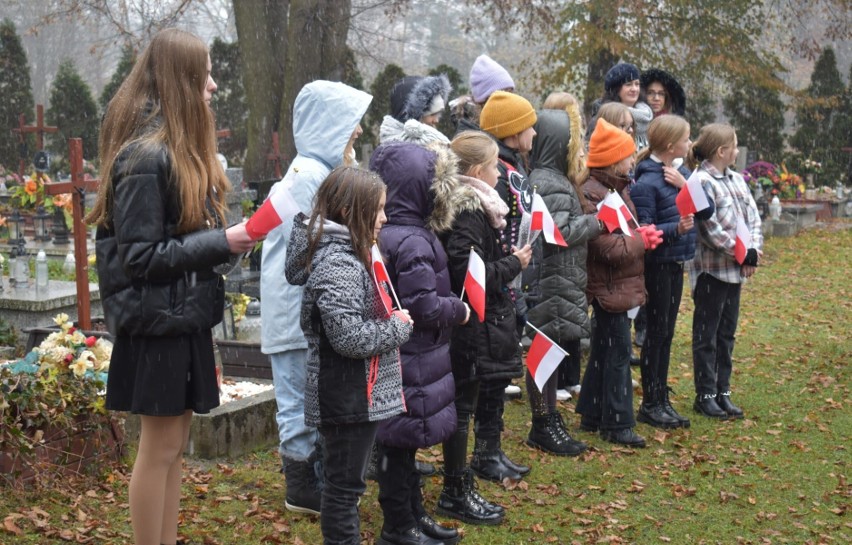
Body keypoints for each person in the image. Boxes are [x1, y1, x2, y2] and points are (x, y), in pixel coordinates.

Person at [88, 28, 257, 545]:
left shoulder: (176, 150)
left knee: (174, 445)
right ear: (181, 80)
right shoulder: (144, 158)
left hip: (179, 319)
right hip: (155, 324)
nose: (212, 85)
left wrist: (228, 242)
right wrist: (221, 242)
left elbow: (181, 241)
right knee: (158, 449)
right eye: (203, 74)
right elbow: (140, 259)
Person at [284, 167, 413, 545]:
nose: (385, 219)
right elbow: (349, 337)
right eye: (378, 210)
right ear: (352, 210)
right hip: (345, 395)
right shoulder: (338, 262)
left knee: (346, 487)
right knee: (343, 491)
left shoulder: (345, 252)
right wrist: (399, 328)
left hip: (351, 393)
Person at [260, 80, 372, 515]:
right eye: (351, 123)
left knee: (309, 398)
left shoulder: (317, 174)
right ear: (329, 125)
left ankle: (316, 478)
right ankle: (301, 486)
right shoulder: (307, 178)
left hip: (305, 309)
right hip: (293, 313)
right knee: (295, 400)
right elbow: (312, 247)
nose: (359, 132)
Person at [370, 141, 470, 545]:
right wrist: (457, 310)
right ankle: (398, 525)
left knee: (403, 443)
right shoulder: (410, 240)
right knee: (397, 442)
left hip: (409, 356)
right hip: (408, 356)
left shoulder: (398, 233)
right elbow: (423, 306)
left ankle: (414, 515)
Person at [439, 131, 532, 525]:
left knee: (481, 394)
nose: (500, 172)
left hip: (483, 321)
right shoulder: (469, 210)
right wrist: (514, 264)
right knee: (464, 406)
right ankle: (456, 488)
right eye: (495, 165)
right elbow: (467, 272)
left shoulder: (479, 206)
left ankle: (477, 465)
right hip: (472, 325)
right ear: (478, 170)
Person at [576, 119, 663, 448]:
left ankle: (592, 412)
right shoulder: (594, 194)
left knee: (604, 350)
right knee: (617, 354)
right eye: (627, 156)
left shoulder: (617, 188)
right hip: (607, 285)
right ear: (613, 160)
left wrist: (639, 236)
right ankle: (617, 422)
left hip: (617, 284)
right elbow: (607, 247)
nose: (632, 160)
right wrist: (641, 241)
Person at [525, 98, 603, 455]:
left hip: (558, 279)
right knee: (544, 352)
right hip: (553, 279)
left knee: (550, 351)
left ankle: (549, 418)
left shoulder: (551, 178)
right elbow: (557, 233)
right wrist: (597, 222)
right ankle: (542, 422)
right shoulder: (549, 181)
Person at [630, 115, 714, 429]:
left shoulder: (681, 173)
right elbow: (646, 232)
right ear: (669, 145)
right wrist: (676, 228)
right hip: (659, 266)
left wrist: (687, 184)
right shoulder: (648, 182)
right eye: (685, 138)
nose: (689, 144)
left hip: (676, 263)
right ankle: (651, 402)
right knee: (656, 333)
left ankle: (660, 396)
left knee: (666, 334)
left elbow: (707, 211)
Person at [474, 90, 539, 481]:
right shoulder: (496, 176)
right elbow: (494, 238)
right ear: (513, 132)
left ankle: (492, 449)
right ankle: (485, 454)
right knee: (492, 378)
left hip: (509, 282)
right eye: (528, 124)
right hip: (500, 285)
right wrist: (511, 269)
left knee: (498, 376)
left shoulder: (511, 167)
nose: (534, 130)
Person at [686, 123, 762, 419]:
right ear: (721, 151)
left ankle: (722, 391)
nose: (738, 149)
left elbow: (753, 217)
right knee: (707, 334)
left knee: (727, 333)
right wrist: (740, 252)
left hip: (735, 273)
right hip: (712, 273)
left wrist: (752, 252)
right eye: (735, 144)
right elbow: (710, 230)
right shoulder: (701, 181)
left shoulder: (737, 180)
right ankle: (704, 394)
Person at [449, 54, 517, 136]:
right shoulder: (473, 130)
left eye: (511, 93)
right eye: (505, 93)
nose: (510, 100)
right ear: (485, 98)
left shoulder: (487, 122)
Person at [379, 74, 452, 144]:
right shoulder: (415, 151)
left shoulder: (390, 146)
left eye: (438, 114)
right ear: (413, 117)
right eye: (432, 114)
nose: (436, 120)